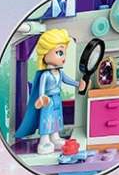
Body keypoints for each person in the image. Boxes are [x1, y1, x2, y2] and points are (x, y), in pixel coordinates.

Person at [14, 26, 85, 156]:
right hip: (48, 101)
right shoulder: (45, 75)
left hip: (57, 99)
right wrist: (42, 98)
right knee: (46, 119)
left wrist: (78, 84)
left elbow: (67, 80)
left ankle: (55, 137)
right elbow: (41, 89)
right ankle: (44, 140)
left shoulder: (59, 72)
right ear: (45, 53)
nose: (63, 58)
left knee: (57, 118)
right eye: (59, 53)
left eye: (64, 53)